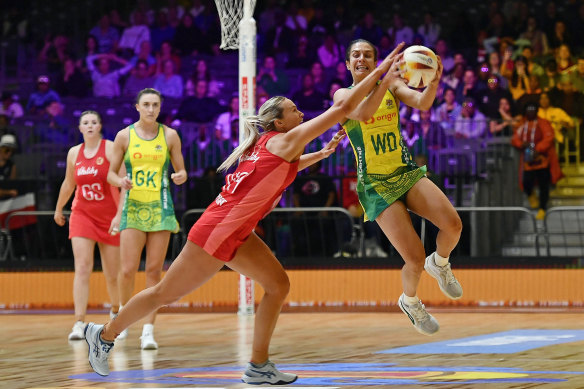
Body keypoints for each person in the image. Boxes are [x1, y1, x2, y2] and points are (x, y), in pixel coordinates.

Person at [83, 45, 404, 382]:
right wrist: (382, 71)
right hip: (217, 229)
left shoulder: (268, 145)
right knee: (165, 294)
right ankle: (103, 334)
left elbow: (279, 171)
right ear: (279, 122)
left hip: (236, 230)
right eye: (295, 111)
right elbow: (345, 107)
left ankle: (258, 366)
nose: (301, 114)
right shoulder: (286, 140)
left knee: (278, 285)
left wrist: (321, 155)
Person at [335, 39, 463, 337]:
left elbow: (422, 103)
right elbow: (364, 113)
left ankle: (441, 263)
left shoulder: (391, 87)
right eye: (356, 55)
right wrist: (384, 77)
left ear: (375, 60)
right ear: (348, 64)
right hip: (376, 184)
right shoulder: (343, 94)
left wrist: (433, 81)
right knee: (414, 258)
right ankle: (410, 301)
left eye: (368, 54)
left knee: (453, 226)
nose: (361, 58)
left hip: (404, 171)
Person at [104, 88, 186, 350]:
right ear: (137, 107)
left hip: (161, 209)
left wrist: (180, 176)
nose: (151, 109)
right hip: (133, 209)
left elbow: (181, 169)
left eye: (155, 105)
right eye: (146, 105)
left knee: (154, 271)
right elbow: (110, 175)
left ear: (160, 108)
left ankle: (148, 330)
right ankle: (122, 320)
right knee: (127, 270)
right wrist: (121, 181)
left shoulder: (170, 135)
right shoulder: (123, 136)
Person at [53, 111, 122, 341]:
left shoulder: (111, 148)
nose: (90, 126)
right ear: (80, 128)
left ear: (100, 126)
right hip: (82, 214)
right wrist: (59, 208)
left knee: (112, 274)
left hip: (109, 216)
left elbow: (124, 185)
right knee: (82, 267)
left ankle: (116, 313)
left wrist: (119, 215)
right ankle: (79, 322)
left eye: (94, 122)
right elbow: (68, 183)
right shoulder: (74, 153)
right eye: (86, 123)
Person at [511, 103, 561, 220]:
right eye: (528, 110)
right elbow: (515, 138)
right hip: (528, 161)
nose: (531, 112)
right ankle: (532, 197)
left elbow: (549, 136)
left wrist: (538, 149)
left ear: (537, 111)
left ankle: (543, 208)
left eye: (533, 110)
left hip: (542, 160)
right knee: (526, 182)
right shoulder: (522, 124)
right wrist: (521, 144)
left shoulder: (543, 122)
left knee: (544, 185)